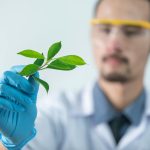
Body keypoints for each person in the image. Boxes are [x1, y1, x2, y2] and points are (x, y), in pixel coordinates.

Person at [0, 0, 150, 149]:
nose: (114, 44)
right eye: (105, 29)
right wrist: (8, 143)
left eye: (131, 31)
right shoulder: (56, 113)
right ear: (92, 34)